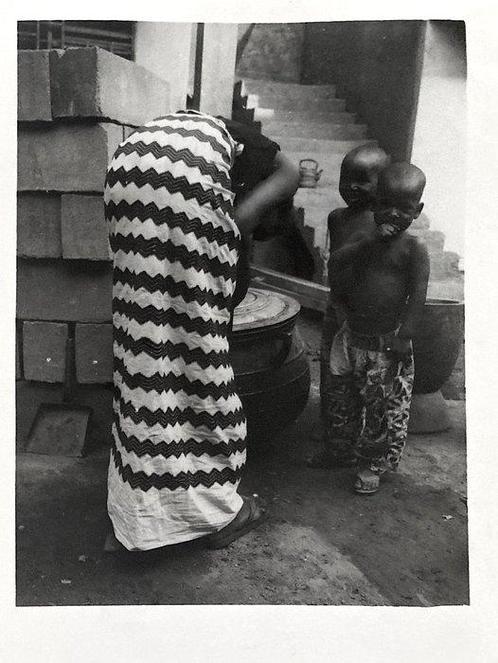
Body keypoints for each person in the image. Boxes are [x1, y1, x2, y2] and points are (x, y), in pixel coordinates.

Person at [104, 110, 299, 551]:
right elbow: (288, 178)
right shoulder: (271, 168)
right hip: (182, 178)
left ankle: (139, 514)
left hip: (126, 171)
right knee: (202, 361)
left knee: (145, 346)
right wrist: (233, 242)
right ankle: (212, 514)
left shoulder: (217, 139)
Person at [319, 162, 430, 494]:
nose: (393, 215)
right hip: (351, 337)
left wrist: (405, 336)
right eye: (385, 205)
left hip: (386, 344)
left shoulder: (414, 249)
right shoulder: (363, 239)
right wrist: (366, 244)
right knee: (342, 399)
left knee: (380, 407)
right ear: (375, 202)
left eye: (405, 209)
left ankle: (372, 463)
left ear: (418, 210)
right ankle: (339, 451)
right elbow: (336, 264)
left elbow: (418, 296)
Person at [308, 144, 391, 468]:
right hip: (336, 310)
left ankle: (365, 445)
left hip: (367, 316)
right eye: (347, 178)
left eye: (362, 180)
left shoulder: (382, 223)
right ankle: (336, 438)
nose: (352, 187)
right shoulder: (336, 218)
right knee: (332, 376)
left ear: (382, 185)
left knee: (368, 382)